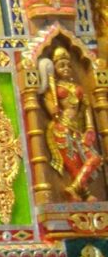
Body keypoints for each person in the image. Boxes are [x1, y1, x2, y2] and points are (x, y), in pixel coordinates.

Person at [41, 47, 103, 201]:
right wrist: (52, 106)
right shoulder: (54, 88)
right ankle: (85, 194)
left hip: (77, 129)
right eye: (61, 65)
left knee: (94, 158)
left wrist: (89, 127)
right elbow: (50, 105)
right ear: (54, 68)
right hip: (61, 127)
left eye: (68, 65)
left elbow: (86, 108)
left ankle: (74, 188)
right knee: (72, 162)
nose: (66, 68)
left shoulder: (77, 88)